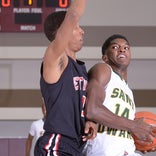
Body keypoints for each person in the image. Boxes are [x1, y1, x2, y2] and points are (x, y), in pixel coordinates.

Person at [34, 0, 97, 155]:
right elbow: (73, 14)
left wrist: (90, 121)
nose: (82, 31)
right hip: (57, 143)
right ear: (63, 31)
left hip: (76, 145)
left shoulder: (81, 69)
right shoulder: (56, 58)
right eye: (76, 27)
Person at [83, 34, 156, 156]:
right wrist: (133, 126)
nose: (122, 49)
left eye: (126, 48)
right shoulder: (104, 70)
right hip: (103, 150)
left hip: (127, 151)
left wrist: (144, 141)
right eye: (115, 47)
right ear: (105, 57)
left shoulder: (128, 91)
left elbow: (123, 126)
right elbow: (92, 110)